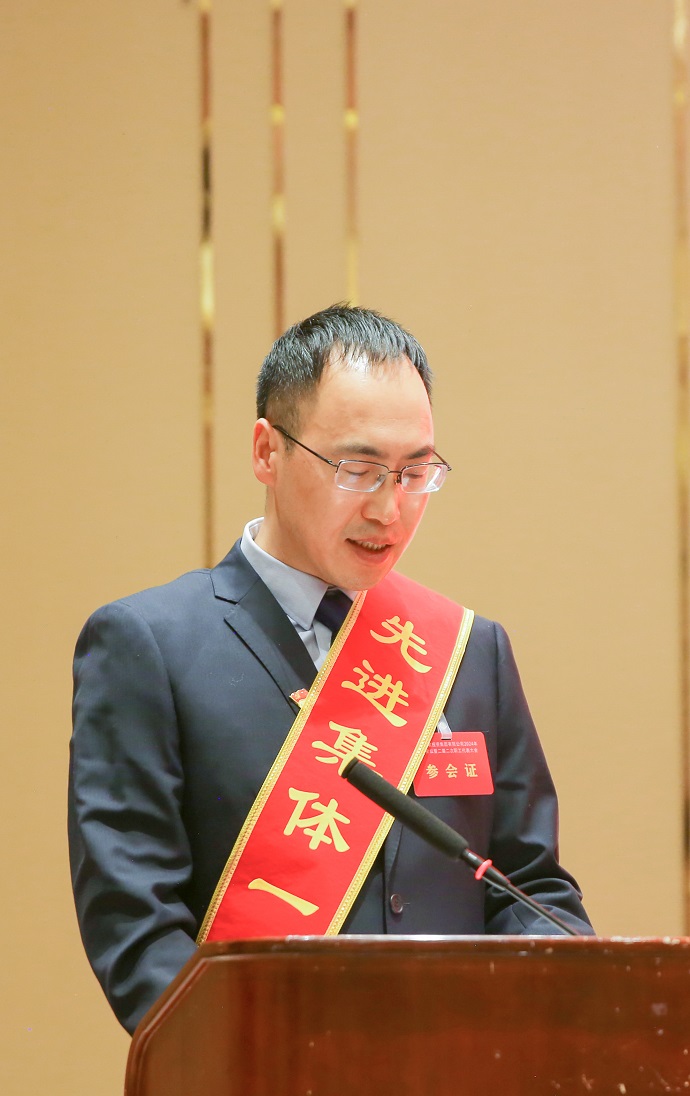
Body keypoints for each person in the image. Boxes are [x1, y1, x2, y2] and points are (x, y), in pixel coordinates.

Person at [69, 304, 593, 1035]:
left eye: (415, 472)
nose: (390, 509)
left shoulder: (471, 650)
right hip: (260, 1063)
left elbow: (528, 888)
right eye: (359, 469)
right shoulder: (148, 644)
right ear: (267, 452)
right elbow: (136, 921)